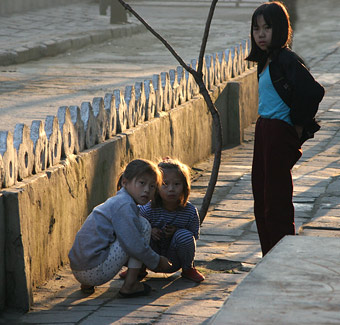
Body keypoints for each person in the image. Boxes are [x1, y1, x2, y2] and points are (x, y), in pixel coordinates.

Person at [245, 1, 324, 256]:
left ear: (280, 29)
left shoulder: (285, 59)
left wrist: (298, 126)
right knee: (261, 195)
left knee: (276, 201)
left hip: (279, 133)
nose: (261, 34)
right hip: (264, 130)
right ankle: (268, 254)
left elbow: (313, 90)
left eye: (267, 28)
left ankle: (280, 257)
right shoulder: (265, 60)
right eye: (256, 29)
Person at [68, 159, 172, 297]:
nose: (147, 190)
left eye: (152, 186)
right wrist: (157, 261)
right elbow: (134, 244)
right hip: (94, 270)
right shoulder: (125, 205)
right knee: (142, 226)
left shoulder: (116, 201)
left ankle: (87, 284)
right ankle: (130, 285)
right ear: (125, 182)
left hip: (78, 269)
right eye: (141, 183)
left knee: (126, 232)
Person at [122, 157, 204, 282]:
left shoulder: (190, 211)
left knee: (185, 235)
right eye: (165, 184)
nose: (171, 189)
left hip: (174, 261)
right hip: (150, 258)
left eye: (176, 184)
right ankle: (137, 269)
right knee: (140, 231)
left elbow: (193, 236)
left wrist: (176, 232)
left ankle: (188, 269)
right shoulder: (146, 209)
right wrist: (150, 231)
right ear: (156, 187)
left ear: (184, 186)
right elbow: (135, 232)